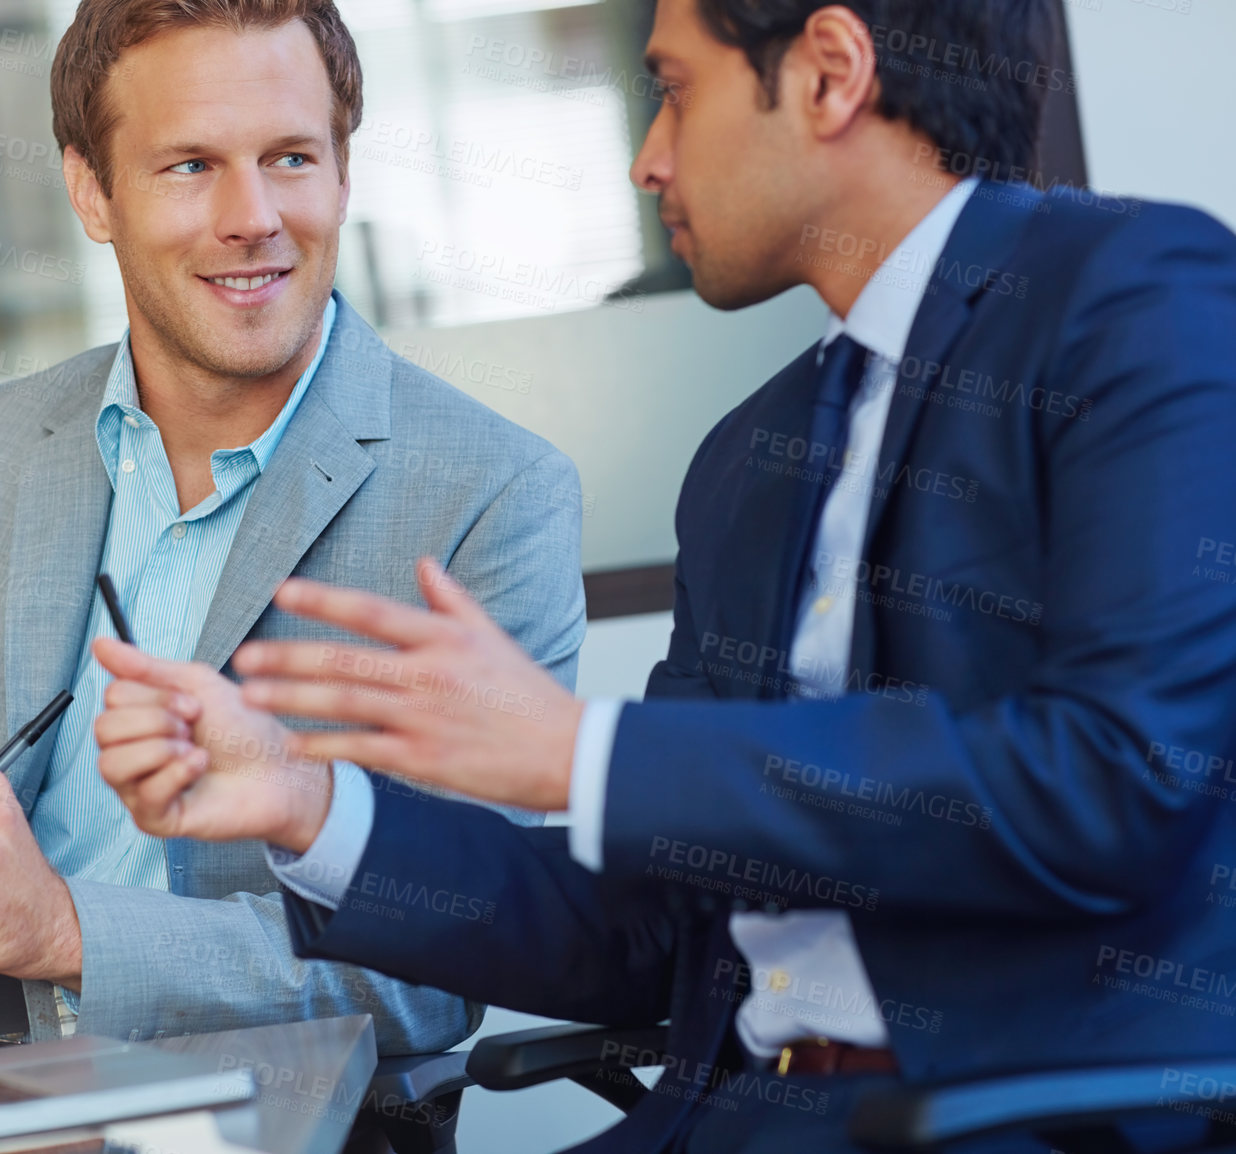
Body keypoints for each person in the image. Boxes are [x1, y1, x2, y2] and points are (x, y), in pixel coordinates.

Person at [93, 0, 1236, 1149]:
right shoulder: (756, 457)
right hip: (734, 1112)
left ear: (829, 74)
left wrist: (577, 753)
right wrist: (315, 805)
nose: (647, 159)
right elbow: (655, 931)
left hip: (996, 1123)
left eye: (676, 89)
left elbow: (1112, 780)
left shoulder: (1135, 298)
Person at [0, 0, 586, 1074]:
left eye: (290, 157)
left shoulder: (491, 496)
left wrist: (70, 932)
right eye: (189, 166)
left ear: (343, 172)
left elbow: (446, 965)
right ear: (92, 190)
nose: (253, 214)